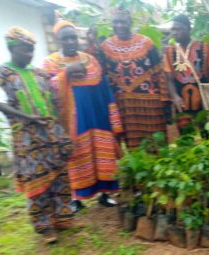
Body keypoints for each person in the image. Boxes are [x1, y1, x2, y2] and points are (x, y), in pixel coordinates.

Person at [0, 27, 75, 243]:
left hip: (51, 134)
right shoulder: (2, 74)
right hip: (27, 138)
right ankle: (44, 226)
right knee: (36, 181)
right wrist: (27, 117)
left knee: (59, 176)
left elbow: (54, 99)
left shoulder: (39, 73)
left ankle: (62, 218)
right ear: (12, 49)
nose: (30, 55)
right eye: (25, 50)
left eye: (32, 50)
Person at [43, 19, 124, 212]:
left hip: (97, 119)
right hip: (72, 122)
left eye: (73, 38)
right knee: (76, 157)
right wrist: (66, 73)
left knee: (102, 155)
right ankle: (75, 198)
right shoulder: (50, 63)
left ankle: (105, 194)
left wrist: (112, 117)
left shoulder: (90, 60)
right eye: (65, 39)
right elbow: (46, 90)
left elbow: (103, 88)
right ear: (58, 41)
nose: (71, 42)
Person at [101, 8, 172, 148]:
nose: (119, 26)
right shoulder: (105, 47)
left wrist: (165, 100)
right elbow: (102, 76)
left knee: (157, 143)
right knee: (133, 148)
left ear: (130, 22)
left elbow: (159, 72)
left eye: (123, 22)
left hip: (151, 105)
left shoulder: (146, 43)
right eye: (116, 22)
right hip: (124, 106)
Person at [164, 14, 209, 134]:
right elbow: (169, 80)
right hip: (182, 104)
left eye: (179, 29)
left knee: (208, 134)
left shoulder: (205, 49)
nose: (175, 32)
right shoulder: (169, 52)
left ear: (189, 29)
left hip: (204, 102)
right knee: (186, 138)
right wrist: (175, 97)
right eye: (173, 29)